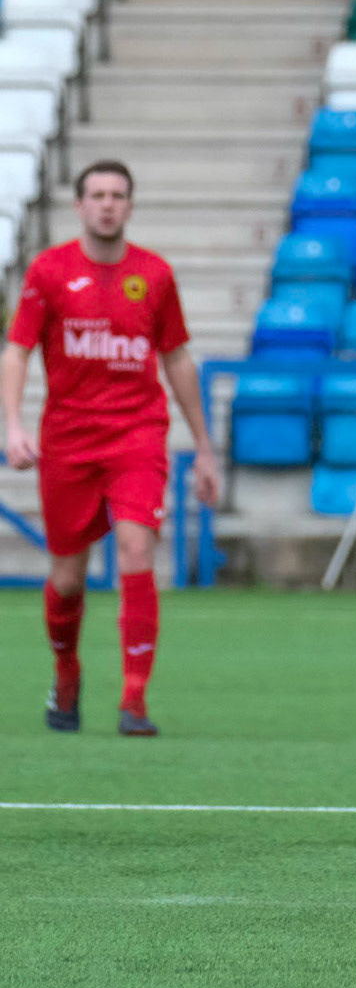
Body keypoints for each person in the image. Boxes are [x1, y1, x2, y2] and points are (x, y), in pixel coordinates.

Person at [1, 160, 220, 736]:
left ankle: (134, 699)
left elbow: (175, 358)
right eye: (96, 194)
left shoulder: (154, 275)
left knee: (135, 551)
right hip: (67, 441)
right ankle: (66, 669)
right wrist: (11, 425)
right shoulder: (48, 272)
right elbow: (17, 350)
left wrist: (203, 446)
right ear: (78, 205)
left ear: (129, 205)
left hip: (136, 436)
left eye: (117, 195)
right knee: (68, 578)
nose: (106, 204)